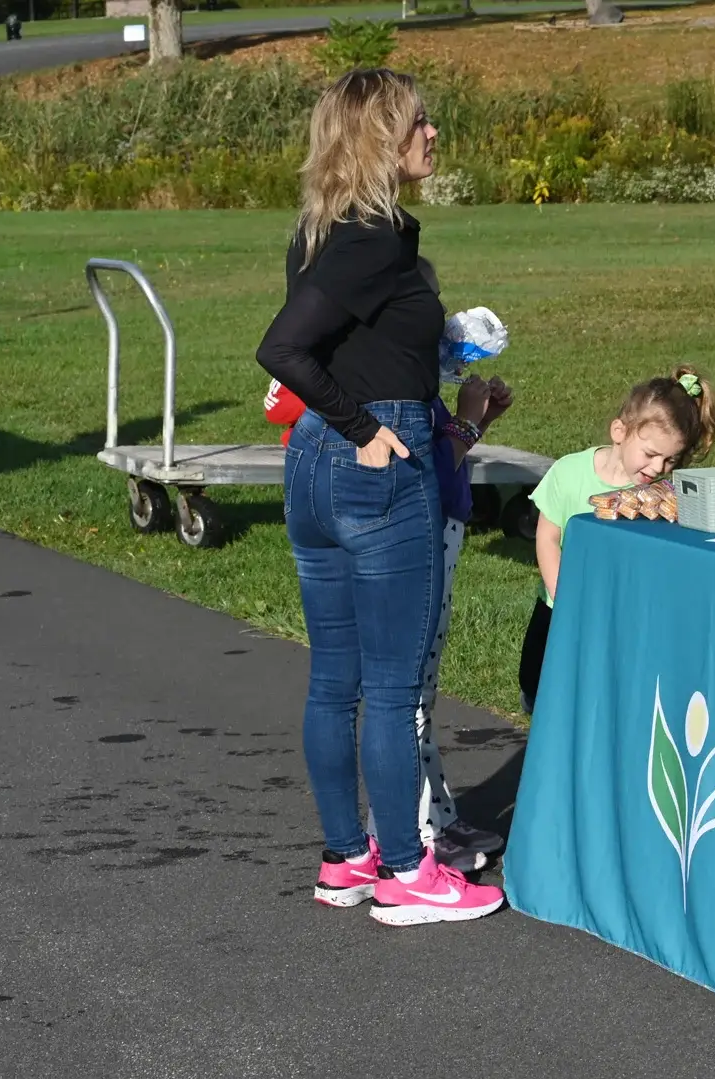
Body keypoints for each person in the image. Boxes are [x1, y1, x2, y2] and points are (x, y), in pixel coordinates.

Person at [255, 68, 504, 926]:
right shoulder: (375, 235)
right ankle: (405, 869)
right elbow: (283, 347)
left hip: (314, 467)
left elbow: (340, 343)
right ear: (379, 139)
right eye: (419, 123)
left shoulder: (318, 231)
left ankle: (346, 858)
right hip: (371, 460)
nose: (433, 134)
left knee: (334, 682)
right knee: (392, 688)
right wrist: (364, 426)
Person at [263, 375, 514, 876]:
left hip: (379, 517)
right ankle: (410, 838)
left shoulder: (364, 381)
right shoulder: (381, 385)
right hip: (417, 531)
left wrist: (475, 419)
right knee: (402, 694)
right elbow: (432, 469)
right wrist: (466, 422)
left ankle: (422, 823)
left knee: (377, 689)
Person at [517, 367, 715, 716]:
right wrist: (565, 598)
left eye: (671, 460)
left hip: (618, 619)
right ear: (620, 432)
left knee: (603, 702)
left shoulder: (655, 498)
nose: (658, 468)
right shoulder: (570, 472)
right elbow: (548, 537)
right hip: (559, 612)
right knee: (538, 693)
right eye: (651, 454)